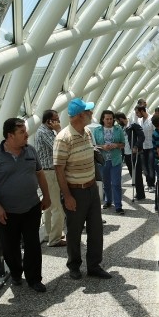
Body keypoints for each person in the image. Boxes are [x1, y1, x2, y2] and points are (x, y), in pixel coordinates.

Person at [0, 118, 50, 292]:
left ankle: (34, 278)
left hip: (31, 207)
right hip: (7, 211)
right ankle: (15, 273)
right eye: (22, 132)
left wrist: (47, 196)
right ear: (10, 136)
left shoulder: (31, 151)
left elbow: (40, 174)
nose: (27, 135)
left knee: (33, 244)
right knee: (10, 247)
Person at [53, 98, 112, 280]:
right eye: (88, 112)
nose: (91, 114)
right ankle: (74, 265)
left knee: (96, 230)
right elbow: (59, 170)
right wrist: (68, 196)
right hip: (75, 191)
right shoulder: (63, 138)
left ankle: (94, 265)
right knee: (74, 230)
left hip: (91, 188)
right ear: (80, 115)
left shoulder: (86, 132)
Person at [35, 109, 67, 247]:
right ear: (49, 121)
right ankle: (55, 238)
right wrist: (59, 130)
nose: (58, 121)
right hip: (50, 173)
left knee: (49, 206)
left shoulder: (42, 131)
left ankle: (49, 234)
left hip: (46, 172)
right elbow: (60, 146)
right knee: (57, 208)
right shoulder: (45, 133)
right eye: (56, 119)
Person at [92, 110, 126, 215]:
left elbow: (123, 144)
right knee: (106, 183)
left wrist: (116, 145)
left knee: (116, 183)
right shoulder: (97, 130)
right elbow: (93, 145)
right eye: (107, 119)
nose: (109, 121)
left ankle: (118, 205)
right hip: (102, 161)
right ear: (103, 119)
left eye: (111, 119)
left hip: (115, 160)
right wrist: (103, 147)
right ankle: (108, 201)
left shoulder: (118, 129)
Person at [135, 103, 156, 192]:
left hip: (151, 146)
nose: (136, 114)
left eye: (137, 112)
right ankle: (148, 183)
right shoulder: (139, 121)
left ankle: (152, 184)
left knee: (151, 165)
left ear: (142, 111)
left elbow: (155, 132)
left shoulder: (151, 119)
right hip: (143, 147)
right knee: (144, 166)